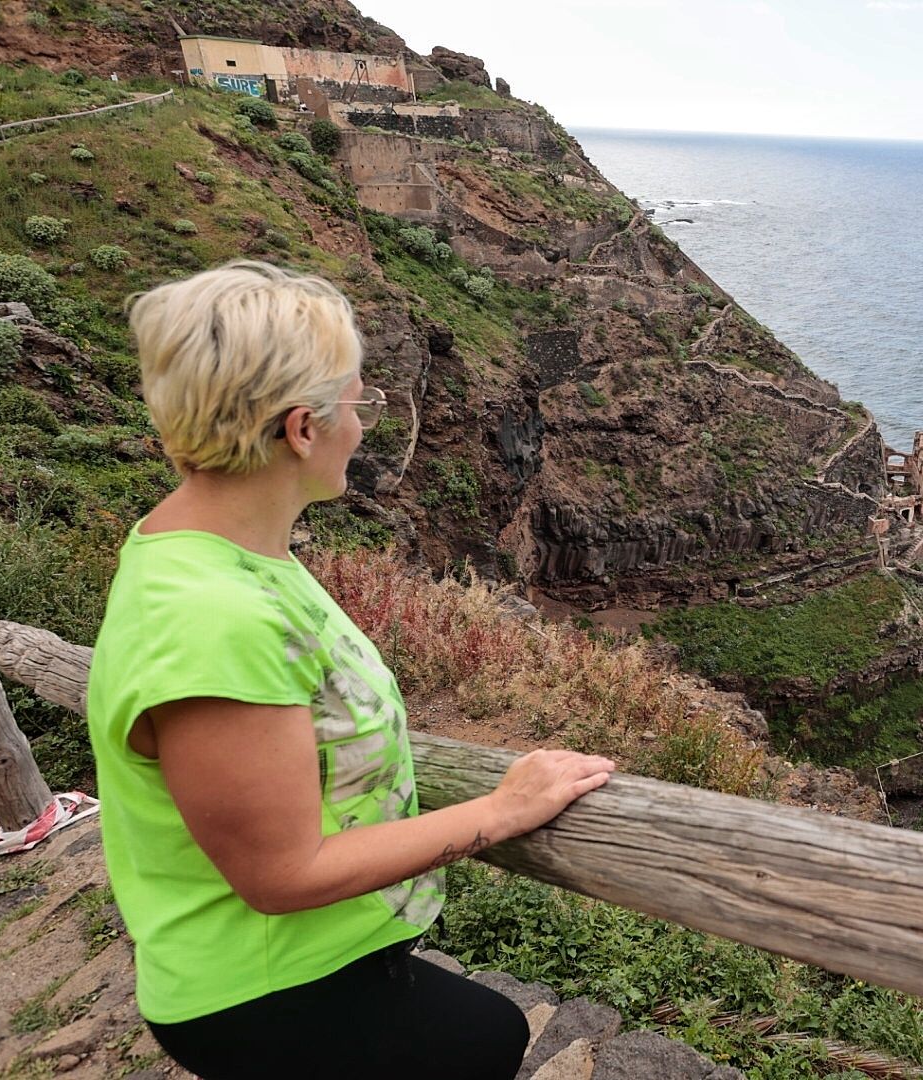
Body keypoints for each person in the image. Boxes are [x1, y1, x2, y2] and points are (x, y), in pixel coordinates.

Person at [85, 261, 614, 1079]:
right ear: (302, 428)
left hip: (298, 964)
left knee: (486, 1029)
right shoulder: (211, 619)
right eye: (360, 404)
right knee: (488, 1037)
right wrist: (504, 810)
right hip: (259, 990)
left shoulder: (217, 552)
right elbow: (281, 873)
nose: (365, 427)